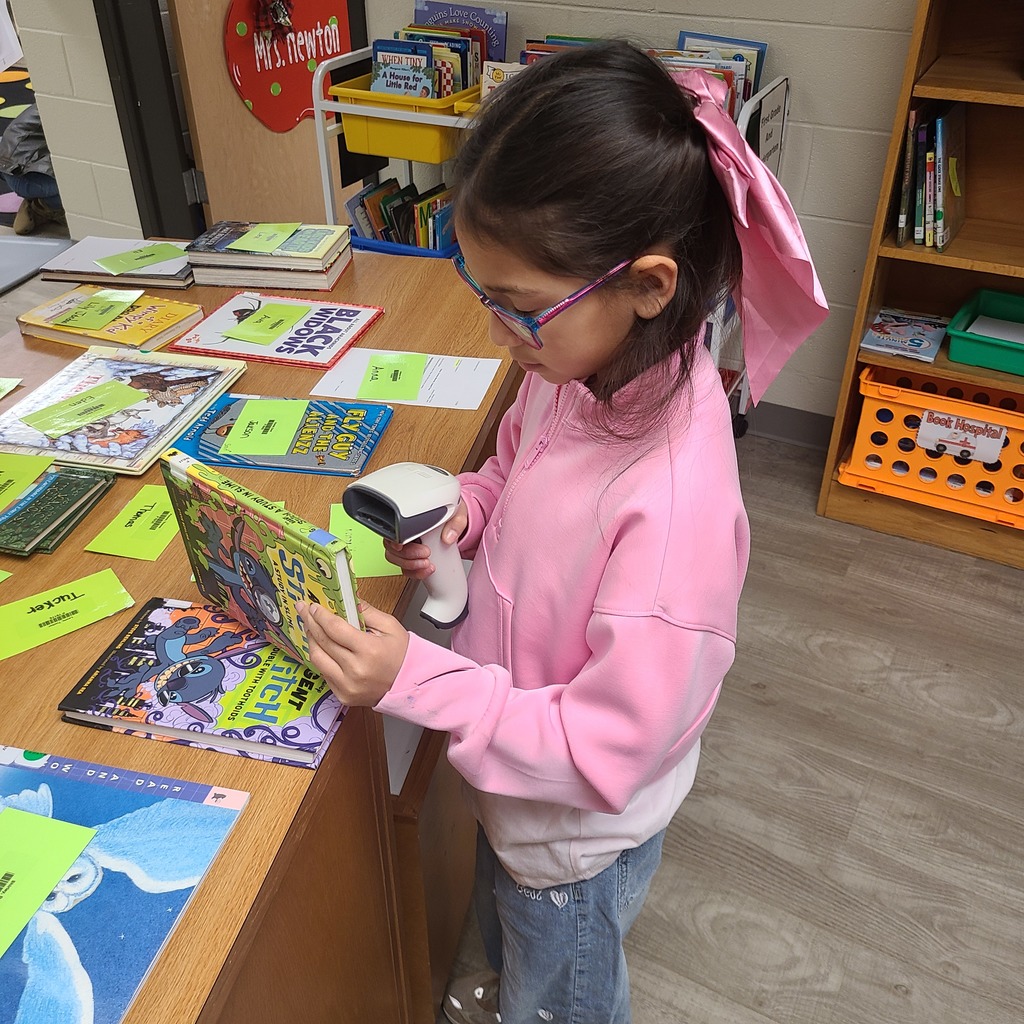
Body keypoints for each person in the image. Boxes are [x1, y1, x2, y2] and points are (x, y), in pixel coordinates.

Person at [297, 39, 826, 1024]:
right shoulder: (575, 375)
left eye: (522, 308)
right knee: (515, 945)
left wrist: (414, 677)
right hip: (517, 795)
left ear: (649, 286)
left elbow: (599, 749)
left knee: (561, 983)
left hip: (571, 838)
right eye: (484, 296)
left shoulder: (672, 508)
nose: (500, 333)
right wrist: (467, 509)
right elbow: (510, 469)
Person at [0, 103, 65, 235]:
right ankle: (46, 207)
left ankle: (46, 204)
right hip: (33, 174)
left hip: (8, 168)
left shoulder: (51, 99)